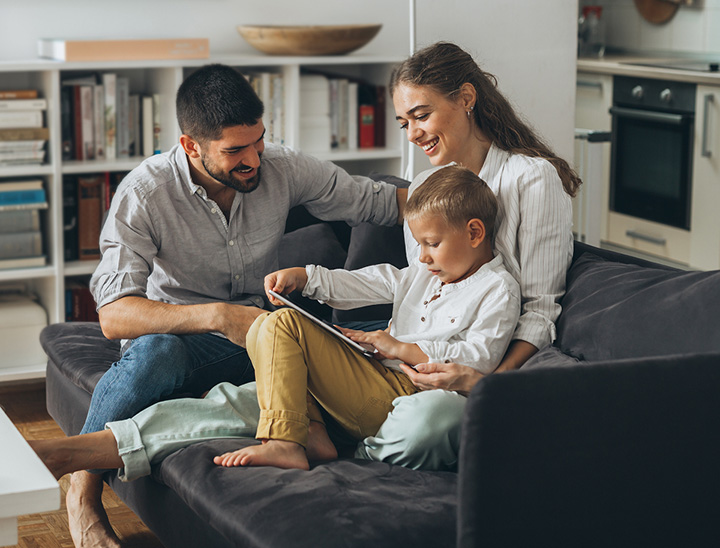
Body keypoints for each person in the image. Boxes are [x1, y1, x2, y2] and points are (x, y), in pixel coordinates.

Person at [65, 63, 407, 548]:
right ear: (190, 145)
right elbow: (114, 316)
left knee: (325, 338)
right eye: (234, 151)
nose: (254, 160)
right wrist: (220, 316)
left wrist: (473, 205)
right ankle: (82, 492)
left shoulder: (283, 167)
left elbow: (378, 202)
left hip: (261, 334)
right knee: (158, 353)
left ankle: (298, 428)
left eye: (259, 142)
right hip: (178, 337)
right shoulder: (144, 194)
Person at [31, 165, 520, 476]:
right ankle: (76, 454)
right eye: (421, 246)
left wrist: (400, 348)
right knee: (235, 399)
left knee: (277, 328)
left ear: (475, 232)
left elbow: (475, 362)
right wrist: (306, 277)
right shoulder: (424, 273)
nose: (425, 257)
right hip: (362, 383)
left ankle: (288, 440)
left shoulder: (497, 289)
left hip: (406, 394)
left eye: (431, 244)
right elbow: (372, 282)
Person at [353, 41, 581, 471]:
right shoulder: (424, 186)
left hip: (469, 374)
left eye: (422, 115)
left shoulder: (531, 179)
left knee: (428, 424)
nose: (414, 133)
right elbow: (420, 285)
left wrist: (484, 384)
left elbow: (539, 311)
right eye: (405, 123)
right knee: (283, 357)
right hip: (414, 360)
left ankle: (355, 447)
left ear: (466, 99)